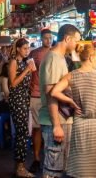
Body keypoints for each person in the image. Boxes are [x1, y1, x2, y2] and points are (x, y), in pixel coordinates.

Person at [50, 44, 96, 178]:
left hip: (80, 125)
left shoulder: (71, 75)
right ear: (90, 58)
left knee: (81, 168)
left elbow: (54, 92)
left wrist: (70, 101)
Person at [39, 23, 81, 178]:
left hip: (62, 120)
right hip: (54, 122)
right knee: (53, 170)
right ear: (67, 38)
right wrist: (56, 125)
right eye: (76, 40)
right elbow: (51, 94)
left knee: (61, 168)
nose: (77, 44)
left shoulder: (61, 58)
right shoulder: (54, 59)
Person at [9, 38, 37, 178]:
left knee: (24, 132)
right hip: (17, 99)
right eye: (25, 48)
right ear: (18, 49)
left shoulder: (26, 62)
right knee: (22, 133)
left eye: (28, 48)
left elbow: (29, 81)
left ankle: (19, 166)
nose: (27, 51)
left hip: (25, 99)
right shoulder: (14, 62)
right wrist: (27, 69)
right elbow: (13, 83)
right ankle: (20, 167)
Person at [28, 28, 53, 175]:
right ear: (41, 39)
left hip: (51, 96)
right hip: (37, 95)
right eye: (46, 38)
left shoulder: (56, 53)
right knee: (37, 129)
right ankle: (37, 158)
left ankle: (50, 159)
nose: (48, 41)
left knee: (49, 128)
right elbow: (29, 74)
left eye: (50, 38)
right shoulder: (34, 54)